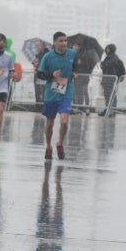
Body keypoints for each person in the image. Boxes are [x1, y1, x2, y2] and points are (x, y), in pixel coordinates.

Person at [36, 32, 78, 161]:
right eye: (61, 41)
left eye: (65, 40)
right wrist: (51, 75)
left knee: (64, 121)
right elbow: (39, 74)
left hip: (67, 91)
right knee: (50, 123)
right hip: (51, 93)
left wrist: (74, 73)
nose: (64, 43)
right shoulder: (48, 57)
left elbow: (74, 66)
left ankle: (60, 143)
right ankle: (48, 146)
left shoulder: (72, 54)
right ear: (54, 42)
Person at [98, 44, 125, 116]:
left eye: (107, 49)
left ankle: (110, 110)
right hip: (110, 79)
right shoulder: (113, 57)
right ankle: (110, 110)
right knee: (110, 95)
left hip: (110, 79)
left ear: (109, 49)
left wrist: (102, 64)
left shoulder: (112, 58)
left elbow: (105, 66)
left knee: (109, 95)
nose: (106, 50)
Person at [31, 40, 50, 108]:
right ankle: (38, 104)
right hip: (37, 74)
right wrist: (34, 63)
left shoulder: (47, 54)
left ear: (44, 46)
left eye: (40, 45)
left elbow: (46, 64)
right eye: (38, 45)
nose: (38, 47)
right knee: (37, 90)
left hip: (43, 75)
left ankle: (43, 104)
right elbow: (35, 63)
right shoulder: (38, 54)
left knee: (44, 90)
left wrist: (38, 64)